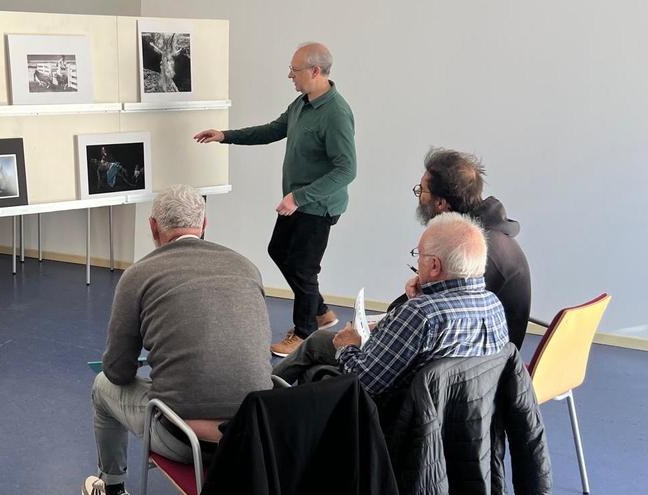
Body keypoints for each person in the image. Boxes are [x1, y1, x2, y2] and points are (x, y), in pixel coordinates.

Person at [82, 185, 273, 495]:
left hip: (185, 440)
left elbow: (117, 371)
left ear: (153, 227)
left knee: (102, 386)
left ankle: (112, 486)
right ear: (204, 224)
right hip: (256, 436)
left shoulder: (138, 275)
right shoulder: (247, 267)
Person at [193, 42, 356, 357]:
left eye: (294, 70)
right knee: (279, 250)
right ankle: (321, 311)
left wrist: (300, 197)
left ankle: (304, 333)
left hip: (318, 205)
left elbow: (347, 169)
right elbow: (271, 130)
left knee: (304, 268)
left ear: (316, 71)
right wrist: (225, 136)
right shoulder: (302, 104)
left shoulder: (336, 113)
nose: (289, 76)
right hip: (296, 202)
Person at [274, 212, 509, 396]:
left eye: (419, 255)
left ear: (435, 266)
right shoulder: (494, 305)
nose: (417, 261)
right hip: (452, 413)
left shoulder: (421, 315)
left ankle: (260, 398)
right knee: (319, 340)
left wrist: (347, 347)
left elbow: (365, 382)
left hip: (394, 411)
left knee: (316, 367)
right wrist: (420, 299)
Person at [412, 148, 531, 347]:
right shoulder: (491, 238)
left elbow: (437, 315)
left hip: (480, 357)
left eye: (422, 191)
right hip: (486, 352)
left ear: (441, 203)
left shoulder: (475, 251)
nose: (419, 196)